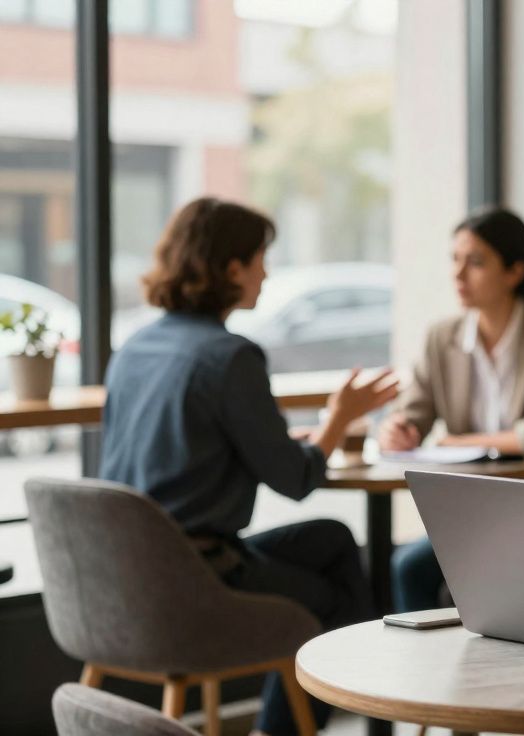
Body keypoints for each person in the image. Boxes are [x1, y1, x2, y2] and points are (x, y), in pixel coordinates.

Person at [100, 197, 398, 736]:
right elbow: (297, 479)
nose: (267, 271)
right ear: (231, 267)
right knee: (337, 603)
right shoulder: (231, 356)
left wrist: (282, 440)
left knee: (331, 539)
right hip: (198, 577)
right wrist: (338, 419)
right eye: (261, 257)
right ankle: (286, 729)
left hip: (126, 576)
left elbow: (182, 444)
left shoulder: (135, 347)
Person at [379, 207, 524, 612]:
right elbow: (416, 409)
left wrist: (460, 441)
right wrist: (400, 427)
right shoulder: (442, 337)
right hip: (476, 511)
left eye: (475, 263)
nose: (458, 275)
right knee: (409, 567)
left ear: (514, 272)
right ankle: (426, 673)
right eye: (455, 260)